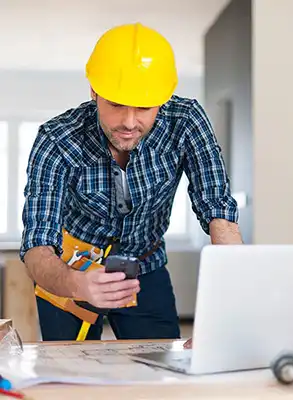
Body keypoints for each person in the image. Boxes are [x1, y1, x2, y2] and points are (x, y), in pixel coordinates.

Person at [20, 23, 243, 345]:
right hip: (70, 266)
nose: (128, 122)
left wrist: (232, 301)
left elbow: (217, 206)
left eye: (143, 108)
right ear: (94, 91)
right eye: (115, 104)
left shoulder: (186, 120)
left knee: (161, 369)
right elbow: (37, 243)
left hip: (146, 265)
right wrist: (75, 283)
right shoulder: (56, 139)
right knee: (68, 374)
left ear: (163, 100)